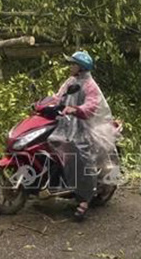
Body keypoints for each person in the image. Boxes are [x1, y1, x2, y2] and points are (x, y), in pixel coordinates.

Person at [48, 50, 116, 221]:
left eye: (73, 64)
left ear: (81, 67)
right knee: (50, 143)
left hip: (85, 128)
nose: (70, 66)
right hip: (67, 125)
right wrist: (45, 103)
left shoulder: (90, 86)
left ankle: (84, 200)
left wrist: (77, 109)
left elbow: (92, 106)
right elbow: (59, 97)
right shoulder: (71, 81)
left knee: (82, 158)